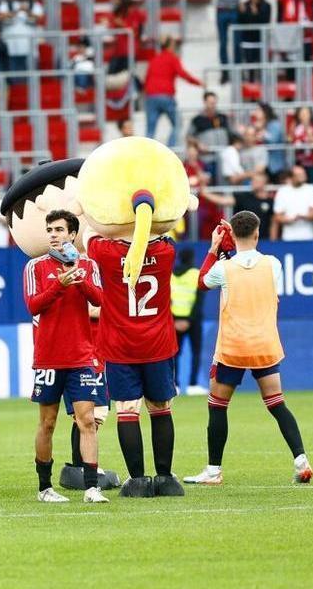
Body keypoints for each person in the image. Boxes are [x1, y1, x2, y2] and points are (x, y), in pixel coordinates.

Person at [186, 212, 313, 485]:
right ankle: (301, 460)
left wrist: (213, 249)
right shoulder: (273, 264)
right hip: (265, 343)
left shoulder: (224, 268)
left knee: (217, 406)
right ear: (257, 234)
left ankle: (213, 470)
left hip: (233, 346)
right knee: (277, 403)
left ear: (231, 235)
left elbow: (202, 282)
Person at [89, 211, 183, 498]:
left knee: (127, 410)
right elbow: (162, 230)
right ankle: (166, 479)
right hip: (158, 343)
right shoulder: (166, 251)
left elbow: (89, 234)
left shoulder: (104, 252)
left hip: (120, 344)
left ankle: (138, 480)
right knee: (160, 408)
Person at [22, 211, 110, 503]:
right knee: (47, 423)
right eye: (50, 229)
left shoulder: (88, 265)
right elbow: (33, 305)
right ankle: (45, 488)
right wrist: (59, 284)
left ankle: (91, 487)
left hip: (81, 357)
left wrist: (78, 278)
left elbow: (99, 300)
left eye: (59, 229)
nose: (53, 234)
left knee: (86, 420)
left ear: (72, 234)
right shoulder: (35, 267)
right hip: (48, 357)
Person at [143, 36, 202, 148]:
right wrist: (198, 83)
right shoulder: (172, 58)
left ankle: (146, 152)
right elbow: (183, 74)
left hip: (151, 96)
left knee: (150, 130)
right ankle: (170, 149)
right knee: (177, 123)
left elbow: (146, 78)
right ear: (170, 45)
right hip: (165, 96)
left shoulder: (154, 59)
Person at [171, 247, 205, 395]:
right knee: (196, 351)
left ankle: (175, 384)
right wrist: (189, 320)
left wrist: (174, 320)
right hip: (194, 320)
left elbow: (167, 299)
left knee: (174, 353)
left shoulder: (170, 275)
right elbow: (199, 301)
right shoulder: (196, 274)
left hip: (174, 320)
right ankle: (193, 385)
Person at [272, 165, 313, 241]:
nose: (303, 177)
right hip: (288, 238)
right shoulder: (282, 191)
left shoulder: (311, 189)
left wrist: (301, 216)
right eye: (299, 175)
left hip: (308, 237)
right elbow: (277, 216)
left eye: (304, 174)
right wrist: (289, 220)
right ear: (291, 177)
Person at [186, 91, 233, 162]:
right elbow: (189, 137)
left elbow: (233, 134)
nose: (213, 105)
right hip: (206, 158)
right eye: (211, 103)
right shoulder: (197, 119)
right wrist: (198, 144)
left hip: (224, 157)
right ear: (205, 102)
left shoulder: (223, 117)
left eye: (214, 103)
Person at [237, 0, 270, 78]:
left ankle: (262, 81)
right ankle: (250, 81)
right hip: (248, 40)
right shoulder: (246, 5)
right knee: (249, 63)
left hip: (260, 40)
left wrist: (256, 14)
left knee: (261, 63)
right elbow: (241, 22)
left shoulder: (266, 5)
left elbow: (265, 21)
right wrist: (242, 12)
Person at [215, 0, 242, 83]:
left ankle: (238, 72)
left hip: (235, 10)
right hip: (221, 10)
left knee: (237, 43)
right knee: (223, 43)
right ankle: (225, 72)